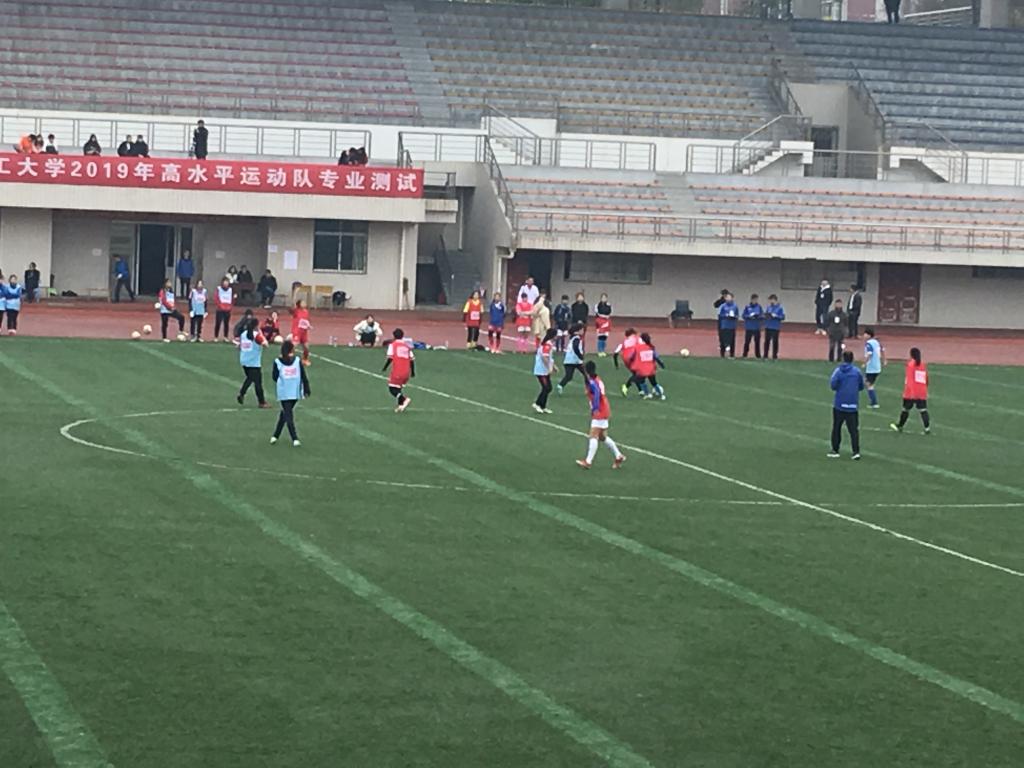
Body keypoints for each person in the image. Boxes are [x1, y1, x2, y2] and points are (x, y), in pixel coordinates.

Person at [576, 361, 626, 470]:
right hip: (604, 408)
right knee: (602, 437)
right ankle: (618, 456)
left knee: (593, 435)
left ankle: (588, 462)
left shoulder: (593, 382)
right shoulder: (596, 379)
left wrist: (595, 408)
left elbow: (597, 393)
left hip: (600, 410)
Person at [271, 340, 310, 446]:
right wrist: (306, 387)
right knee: (288, 414)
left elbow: (274, 377)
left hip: (287, 391)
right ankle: (294, 438)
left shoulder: (281, 362)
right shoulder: (295, 361)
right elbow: (303, 375)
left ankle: (276, 435)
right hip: (292, 391)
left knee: (285, 413)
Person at [829, 350, 864, 460]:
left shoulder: (838, 371)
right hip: (852, 405)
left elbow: (833, 385)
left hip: (839, 404)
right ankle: (856, 451)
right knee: (853, 430)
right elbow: (861, 386)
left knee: (836, 427)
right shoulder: (857, 372)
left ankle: (835, 450)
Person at [891, 348, 930, 434]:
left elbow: (910, 380)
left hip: (911, 392)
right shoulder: (922, 364)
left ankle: (900, 426)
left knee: (905, 409)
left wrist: (911, 392)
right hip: (921, 391)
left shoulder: (910, 365)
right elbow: (926, 378)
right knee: (923, 410)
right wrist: (925, 388)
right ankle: (927, 428)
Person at [237, 317, 270, 408]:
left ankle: (261, 401)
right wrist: (261, 334)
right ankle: (243, 393)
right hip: (254, 362)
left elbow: (239, 346)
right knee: (256, 381)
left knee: (253, 379)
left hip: (244, 360)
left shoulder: (243, 334)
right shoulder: (256, 335)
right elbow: (266, 344)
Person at [383, 328, 414, 413]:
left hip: (398, 370)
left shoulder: (393, 345)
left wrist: (385, 367)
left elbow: (390, 358)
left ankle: (404, 399)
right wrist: (412, 372)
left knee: (392, 389)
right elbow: (411, 360)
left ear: (394, 336)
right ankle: (400, 406)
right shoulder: (406, 346)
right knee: (398, 388)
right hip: (406, 372)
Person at [613, 328, 647, 397]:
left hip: (626, 360)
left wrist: (616, 364)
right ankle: (626, 386)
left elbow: (615, 353)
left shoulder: (624, 342)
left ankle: (641, 390)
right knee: (639, 374)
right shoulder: (637, 339)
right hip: (634, 357)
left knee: (635, 373)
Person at [631, 332, 666, 400]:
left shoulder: (638, 347)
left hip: (642, 369)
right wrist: (661, 364)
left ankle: (647, 394)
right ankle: (662, 395)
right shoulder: (651, 347)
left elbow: (632, 356)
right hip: (651, 368)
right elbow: (656, 357)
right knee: (654, 382)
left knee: (641, 381)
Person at [532, 328, 558, 414]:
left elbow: (549, 358)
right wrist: (549, 367)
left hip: (544, 370)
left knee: (548, 388)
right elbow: (544, 357)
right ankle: (537, 404)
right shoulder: (547, 345)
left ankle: (543, 406)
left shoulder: (548, 344)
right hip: (541, 370)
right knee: (546, 387)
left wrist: (553, 366)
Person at [557, 323, 585, 394]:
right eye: (582, 329)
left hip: (569, 360)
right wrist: (580, 355)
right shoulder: (577, 338)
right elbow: (575, 348)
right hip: (575, 360)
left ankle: (560, 385)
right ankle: (592, 388)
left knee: (569, 376)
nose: (583, 331)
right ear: (577, 331)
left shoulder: (573, 337)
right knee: (586, 374)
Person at [863, 327, 884, 409]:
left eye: (865, 334)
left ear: (869, 335)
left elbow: (869, 353)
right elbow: (882, 350)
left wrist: (865, 363)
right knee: (868, 383)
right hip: (877, 367)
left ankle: (874, 402)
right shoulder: (876, 342)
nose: (864, 335)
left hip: (871, 368)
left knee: (868, 384)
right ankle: (873, 401)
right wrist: (884, 360)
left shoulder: (869, 343)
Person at [290, 298, 312, 366]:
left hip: (304, 332)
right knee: (294, 345)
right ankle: (288, 357)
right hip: (297, 331)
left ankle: (305, 359)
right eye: (303, 302)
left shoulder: (306, 312)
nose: (304, 303)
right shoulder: (296, 311)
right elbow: (292, 308)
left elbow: (306, 321)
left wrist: (308, 326)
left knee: (306, 347)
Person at [741, 293, 763, 359]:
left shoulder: (759, 307)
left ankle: (758, 355)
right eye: (754, 299)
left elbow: (762, 315)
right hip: (749, 327)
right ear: (751, 300)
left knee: (757, 342)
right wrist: (749, 316)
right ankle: (745, 354)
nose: (755, 301)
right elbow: (743, 315)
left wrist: (758, 316)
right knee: (747, 342)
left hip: (756, 327)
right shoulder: (747, 307)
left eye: (756, 299)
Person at [763, 294, 785, 360]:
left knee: (775, 342)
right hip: (768, 326)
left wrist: (776, 316)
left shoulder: (780, 308)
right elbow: (766, 315)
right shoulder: (768, 307)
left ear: (775, 300)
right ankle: (765, 355)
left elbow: (782, 317)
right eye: (770, 300)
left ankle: (774, 356)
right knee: (767, 341)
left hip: (775, 327)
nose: (770, 301)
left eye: (771, 300)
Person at [717, 292, 738, 358]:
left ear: (732, 298)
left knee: (732, 341)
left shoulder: (735, 306)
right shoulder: (723, 306)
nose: (728, 298)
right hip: (724, 325)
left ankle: (732, 355)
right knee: (723, 340)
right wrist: (726, 315)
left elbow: (737, 315)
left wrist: (733, 316)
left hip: (732, 326)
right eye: (727, 297)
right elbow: (720, 315)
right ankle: (722, 354)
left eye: (729, 297)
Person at [214, 277, 234, 342]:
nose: (226, 283)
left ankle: (225, 337)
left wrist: (230, 306)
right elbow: (216, 298)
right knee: (218, 323)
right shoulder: (218, 289)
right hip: (220, 309)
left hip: (227, 309)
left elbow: (232, 299)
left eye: (227, 282)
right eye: (225, 282)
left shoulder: (230, 290)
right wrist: (220, 306)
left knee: (226, 324)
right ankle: (216, 337)